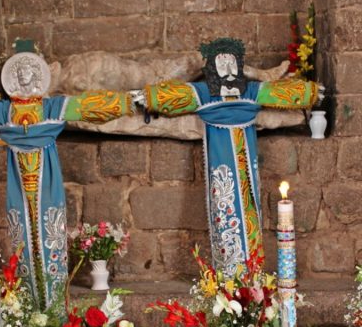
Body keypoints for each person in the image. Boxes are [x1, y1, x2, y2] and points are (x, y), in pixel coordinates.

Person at [0, 49, 133, 311]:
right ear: (13, 78)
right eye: (19, 73)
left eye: (28, 72)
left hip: (46, 179)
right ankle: (28, 306)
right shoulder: (4, 113)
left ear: (36, 76)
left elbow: (86, 106)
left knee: (50, 234)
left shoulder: (51, 108)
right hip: (19, 181)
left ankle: (54, 309)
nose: (24, 76)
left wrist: (130, 102)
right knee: (22, 238)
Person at [134, 38, 322, 274]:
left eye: (233, 63)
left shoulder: (249, 91)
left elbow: (274, 91)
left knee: (250, 210)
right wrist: (149, 98)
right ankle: (230, 274)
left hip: (247, 164)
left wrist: (310, 92)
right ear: (212, 67)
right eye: (222, 63)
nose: (229, 69)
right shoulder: (205, 93)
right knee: (225, 211)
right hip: (220, 158)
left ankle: (252, 271)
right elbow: (179, 94)